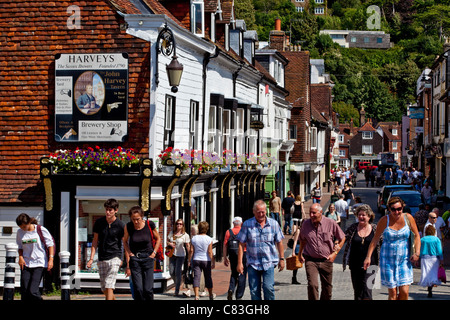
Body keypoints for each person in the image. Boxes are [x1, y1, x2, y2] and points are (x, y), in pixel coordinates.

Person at [363, 196, 421, 300]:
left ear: (402, 208)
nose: (397, 212)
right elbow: (375, 240)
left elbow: (417, 235)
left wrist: (417, 253)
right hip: (388, 261)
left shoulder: (408, 218)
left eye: (399, 209)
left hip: (404, 260)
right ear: (389, 209)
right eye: (393, 209)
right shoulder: (384, 220)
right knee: (393, 294)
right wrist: (368, 257)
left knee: (404, 292)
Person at [237, 200, 285, 300]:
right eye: (258, 212)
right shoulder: (247, 224)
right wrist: (240, 263)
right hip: (253, 263)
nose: (261, 214)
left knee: (268, 288)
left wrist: (282, 259)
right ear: (253, 211)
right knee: (254, 291)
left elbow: (279, 242)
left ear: (266, 211)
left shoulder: (273, 224)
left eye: (263, 212)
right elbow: (241, 244)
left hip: (269, 262)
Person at [297, 203, 346, 300]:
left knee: (327, 288)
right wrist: (299, 254)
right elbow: (303, 240)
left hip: (326, 260)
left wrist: (335, 253)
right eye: (310, 213)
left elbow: (342, 238)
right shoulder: (306, 224)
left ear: (321, 212)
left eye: (314, 213)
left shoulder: (331, 223)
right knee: (312, 285)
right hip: (311, 260)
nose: (311, 215)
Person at [87, 199, 125, 300]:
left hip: (115, 257)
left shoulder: (121, 225)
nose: (108, 212)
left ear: (116, 210)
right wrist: (91, 259)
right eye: (106, 210)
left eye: (110, 210)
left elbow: (124, 243)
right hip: (102, 257)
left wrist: (122, 259)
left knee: (109, 284)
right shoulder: (99, 223)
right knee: (104, 288)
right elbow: (95, 241)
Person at [123, 206, 161, 300]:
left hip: (148, 258)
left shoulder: (149, 224)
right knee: (138, 289)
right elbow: (124, 241)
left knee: (148, 289)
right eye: (133, 219)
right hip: (135, 259)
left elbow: (158, 238)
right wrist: (130, 253)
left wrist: (154, 253)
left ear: (142, 217)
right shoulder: (129, 226)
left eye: (138, 219)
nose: (136, 222)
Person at [343, 205, 380, 300]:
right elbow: (343, 238)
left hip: (372, 264)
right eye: (359, 215)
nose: (361, 217)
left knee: (367, 291)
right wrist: (336, 244)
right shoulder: (353, 228)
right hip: (355, 264)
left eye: (363, 215)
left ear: (369, 216)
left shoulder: (375, 229)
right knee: (358, 292)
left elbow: (383, 242)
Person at [16, 213, 55, 300]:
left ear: (29, 222)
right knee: (25, 289)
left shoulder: (40, 229)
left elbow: (50, 244)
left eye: (24, 226)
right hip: (26, 262)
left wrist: (51, 259)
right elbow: (20, 246)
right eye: (21, 227)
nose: (23, 229)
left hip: (39, 262)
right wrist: (20, 257)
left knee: (33, 290)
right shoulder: (19, 232)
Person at [189, 221, 215, 300]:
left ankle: (196, 295)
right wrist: (213, 261)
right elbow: (210, 252)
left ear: (199, 228)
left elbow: (191, 251)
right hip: (206, 260)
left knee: (196, 277)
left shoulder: (194, 238)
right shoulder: (209, 239)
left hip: (196, 259)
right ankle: (210, 294)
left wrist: (189, 260)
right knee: (208, 277)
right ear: (207, 229)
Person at [223, 217, 246, 300]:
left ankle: (231, 289)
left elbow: (225, 245)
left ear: (233, 223)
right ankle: (239, 295)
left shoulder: (228, 232)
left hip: (232, 254)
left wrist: (225, 257)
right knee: (242, 274)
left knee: (233, 273)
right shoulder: (243, 231)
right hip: (243, 254)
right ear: (241, 223)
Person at [419, 225, 444, 298]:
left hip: (424, 258)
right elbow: (439, 250)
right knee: (433, 273)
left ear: (426, 232)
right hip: (434, 258)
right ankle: (431, 287)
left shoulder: (422, 239)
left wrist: (418, 258)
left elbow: (420, 250)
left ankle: (429, 287)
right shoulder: (436, 240)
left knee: (426, 273)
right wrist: (441, 259)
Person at [167, 219, 190, 296]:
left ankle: (176, 290)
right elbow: (167, 241)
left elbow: (187, 246)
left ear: (183, 225)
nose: (179, 225)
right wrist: (169, 243)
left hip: (181, 255)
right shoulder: (172, 233)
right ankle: (178, 282)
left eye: (180, 224)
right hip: (172, 254)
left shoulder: (185, 235)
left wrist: (190, 257)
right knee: (171, 272)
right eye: (177, 224)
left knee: (177, 272)